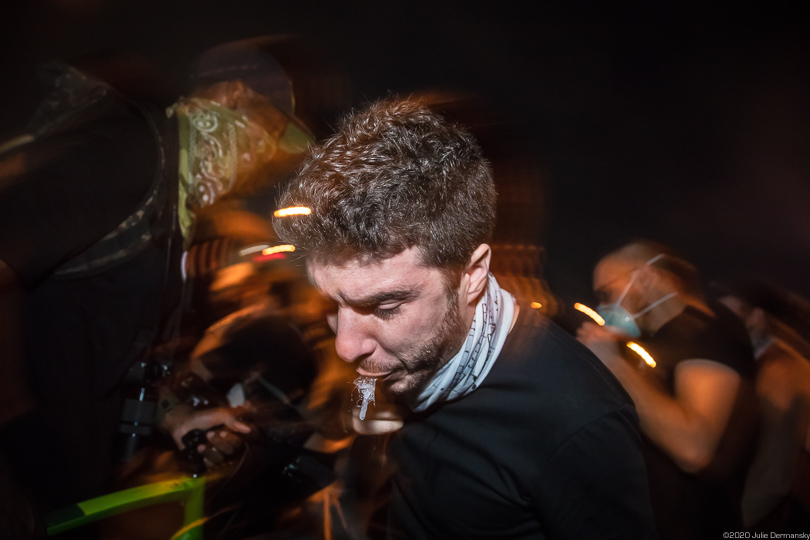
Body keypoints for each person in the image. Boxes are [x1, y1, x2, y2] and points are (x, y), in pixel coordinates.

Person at [272, 97, 657, 539]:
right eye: (332, 303)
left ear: (472, 275)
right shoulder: (402, 356)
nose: (346, 346)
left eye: (385, 308)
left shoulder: (578, 422)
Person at [0, 37, 312, 535]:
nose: (264, 160)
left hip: (63, 489)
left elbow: (114, 343)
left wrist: (174, 417)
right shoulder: (130, 153)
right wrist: (16, 419)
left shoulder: (172, 204)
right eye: (268, 134)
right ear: (231, 97)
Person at [577, 240, 757, 540]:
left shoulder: (704, 335)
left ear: (646, 277)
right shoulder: (667, 338)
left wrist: (614, 364)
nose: (602, 307)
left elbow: (694, 448)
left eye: (606, 293)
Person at [714, 280, 810, 531]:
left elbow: (774, 476)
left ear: (757, 317)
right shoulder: (765, 359)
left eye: (729, 314)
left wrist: (734, 526)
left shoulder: (780, 372)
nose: (720, 322)